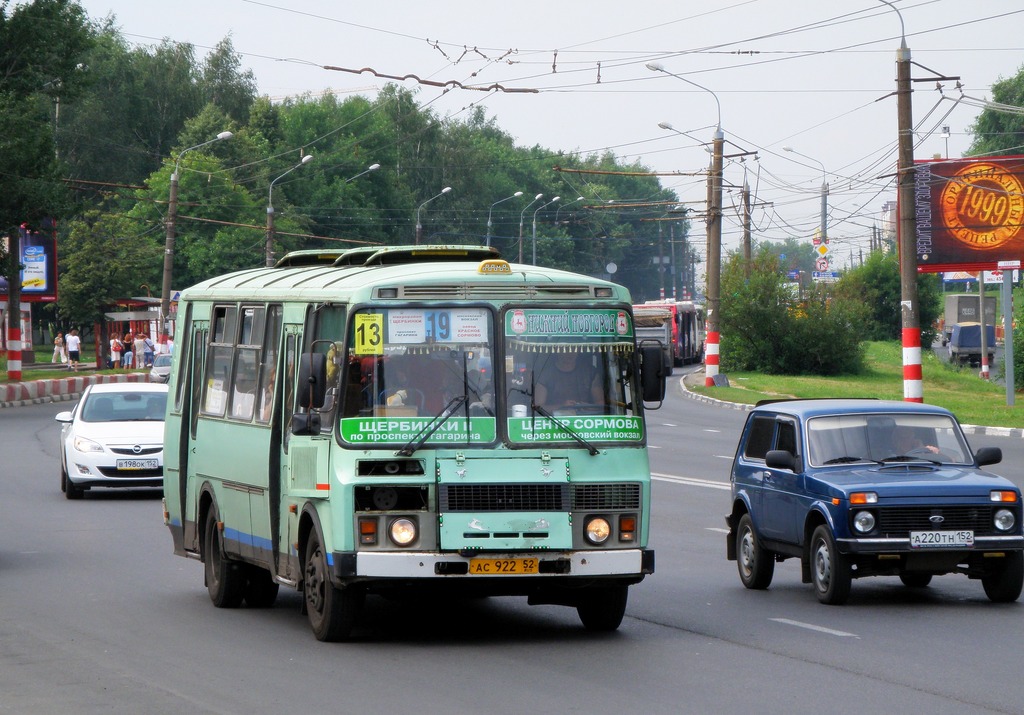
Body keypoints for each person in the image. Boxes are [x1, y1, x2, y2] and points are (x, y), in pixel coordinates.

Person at [533, 351, 603, 412]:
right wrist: (562, 406)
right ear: (557, 351)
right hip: (554, 422)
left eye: (573, 349)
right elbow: (537, 407)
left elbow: (600, 402)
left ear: (578, 350)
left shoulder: (589, 372)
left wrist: (588, 407)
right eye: (566, 349)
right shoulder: (545, 375)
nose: (570, 353)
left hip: (586, 421)